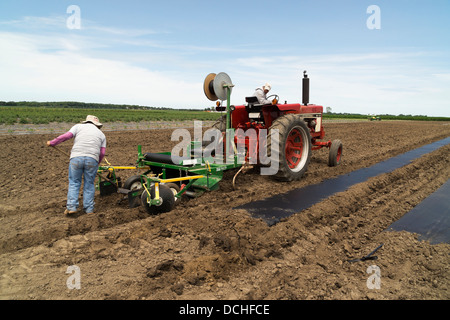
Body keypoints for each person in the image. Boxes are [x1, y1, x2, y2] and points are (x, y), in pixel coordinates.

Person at [47, 115, 106, 215]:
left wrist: (52, 143)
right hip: (92, 160)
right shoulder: (101, 135)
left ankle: (71, 207)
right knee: (89, 184)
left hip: (76, 158)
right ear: (97, 125)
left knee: (74, 182)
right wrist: (97, 163)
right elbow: (102, 152)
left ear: (86, 122)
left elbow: (66, 136)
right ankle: (89, 209)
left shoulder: (78, 127)